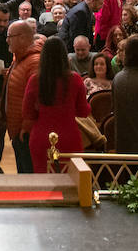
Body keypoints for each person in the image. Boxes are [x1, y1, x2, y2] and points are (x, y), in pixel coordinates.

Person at [21, 36, 90, 173]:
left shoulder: (35, 80)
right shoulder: (75, 79)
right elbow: (84, 112)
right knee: (71, 180)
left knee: (43, 179)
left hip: (41, 137)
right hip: (69, 137)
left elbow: (27, 113)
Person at [4, 18, 41, 173]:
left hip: (26, 132)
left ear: (23, 38)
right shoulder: (19, 59)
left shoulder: (34, 62)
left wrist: (27, 126)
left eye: (10, 36)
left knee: (29, 175)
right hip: (17, 129)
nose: (7, 40)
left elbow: (37, 100)